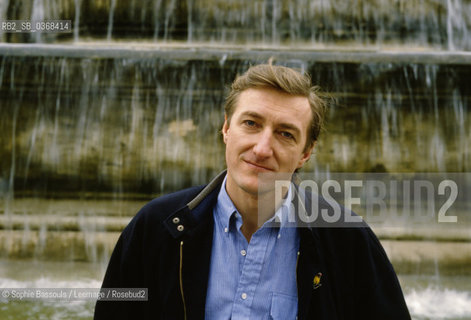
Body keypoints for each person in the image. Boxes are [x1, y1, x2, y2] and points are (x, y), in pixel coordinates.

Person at [94, 63, 411, 319]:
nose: (262, 149)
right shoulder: (157, 227)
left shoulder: (346, 239)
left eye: (285, 134)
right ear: (226, 128)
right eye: (251, 123)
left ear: (306, 153)